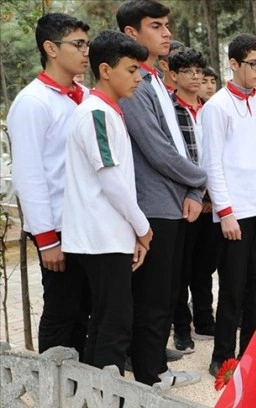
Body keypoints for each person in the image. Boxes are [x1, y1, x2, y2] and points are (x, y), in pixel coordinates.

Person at [116, 0, 207, 387]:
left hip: (173, 202)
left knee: (166, 294)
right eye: (156, 26)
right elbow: (156, 149)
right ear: (131, 34)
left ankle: (155, 368)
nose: (167, 32)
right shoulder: (134, 83)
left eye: (167, 25)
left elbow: (177, 145)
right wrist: (201, 178)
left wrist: (191, 187)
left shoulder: (155, 78)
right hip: (152, 205)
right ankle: (150, 375)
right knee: (153, 298)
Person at [62, 30, 152, 375]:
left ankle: (94, 396)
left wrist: (132, 233)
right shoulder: (96, 113)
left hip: (109, 235)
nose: (138, 78)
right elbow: (111, 180)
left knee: (105, 322)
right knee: (113, 326)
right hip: (100, 237)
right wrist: (143, 229)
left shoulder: (108, 112)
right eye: (131, 70)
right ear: (104, 69)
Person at [200, 33, 256, 376]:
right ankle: (223, 356)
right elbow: (213, 165)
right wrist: (225, 212)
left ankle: (253, 352)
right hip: (234, 215)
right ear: (233, 64)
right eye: (253, 64)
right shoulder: (217, 107)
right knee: (234, 287)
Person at [7, 12, 91, 359]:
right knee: (62, 310)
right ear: (50, 48)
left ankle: (85, 385)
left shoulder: (85, 96)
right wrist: (45, 239)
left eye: (87, 44)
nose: (87, 52)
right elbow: (29, 176)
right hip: (58, 227)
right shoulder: (32, 102)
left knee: (87, 309)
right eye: (78, 44)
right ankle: (56, 388)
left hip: (89, 223)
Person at [166, 46, 219, 353]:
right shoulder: (170, 110)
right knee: (180, 270)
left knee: (205, 266)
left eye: (200, 71)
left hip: (211, 202)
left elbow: (216, 156)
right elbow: (174, 157)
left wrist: (211, 195)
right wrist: (195, 193)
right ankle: (181, 329)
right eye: (190, 71)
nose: (197, 77)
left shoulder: (210, 108)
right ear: (174, 76)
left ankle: (204, 319)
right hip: (182, 202)